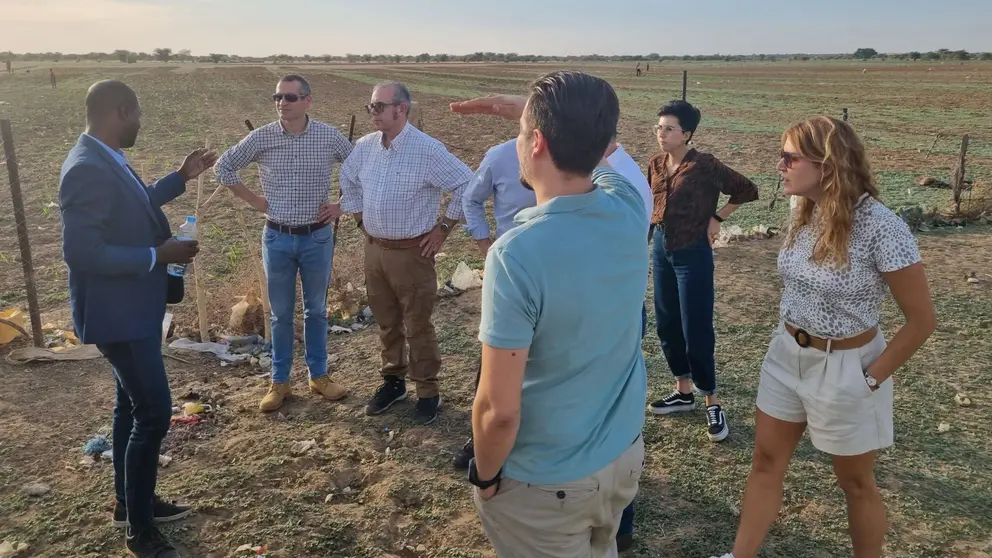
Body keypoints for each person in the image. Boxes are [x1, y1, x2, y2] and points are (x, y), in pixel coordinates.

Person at [710, 117, 936, 558]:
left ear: (828, 165)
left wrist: (871, 378)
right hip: (785, 355)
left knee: (854, 483)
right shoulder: (803, 210)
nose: (780, 165)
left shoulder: (881, 227)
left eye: (790, 157)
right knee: (765, 464)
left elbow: (922, 320)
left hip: (848, 367)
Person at [450, 70, 646, 557]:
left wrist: (486, 474)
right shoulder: (628, 206)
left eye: (521, 130)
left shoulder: (517, 254)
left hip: (547, 483)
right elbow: (605, 152)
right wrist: (544, 113)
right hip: (621, 457)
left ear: (536, 141)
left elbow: (498, 411)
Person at [59, 79, 217, 557]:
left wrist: (180, 176)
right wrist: (156, 254)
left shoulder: (105, 156)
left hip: (133, 308)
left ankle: (131, 503)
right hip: (118, 313)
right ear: (121, 111)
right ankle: (141, 531)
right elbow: (81, 253)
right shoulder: (86, 168)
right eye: (138, 113)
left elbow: (135, 203)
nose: (141, 122)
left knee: (130, 405)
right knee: (153, 412)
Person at [213, 74, 353, 412]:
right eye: (277, 97)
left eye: (289, 97)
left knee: (317, 310)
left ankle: (319, 377)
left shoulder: (328, 136)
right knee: (279, 315)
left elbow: (362, 167)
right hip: (277, 237)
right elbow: (224, 167)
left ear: (307, 100)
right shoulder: (261, 137)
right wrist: (255, 200)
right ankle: (280, 382)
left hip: (317, 238)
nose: (281, 103)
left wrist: (341, 204)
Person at [340, 81, 473, 425]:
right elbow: (348, 178)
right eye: (371, 107)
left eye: (379, 107)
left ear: (402, 109)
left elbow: (466, 183)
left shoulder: (426, 149)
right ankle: (393, 382)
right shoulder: (366, 146)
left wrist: (443, 229)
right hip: (375, 250)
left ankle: (428, 391)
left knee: (417, 324)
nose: (373, 113)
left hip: (412, 253)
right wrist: (359, 220)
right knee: (386, 322)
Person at [646, 99, 759, 442]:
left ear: (687, 134)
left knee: (695, 324)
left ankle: (711, 398)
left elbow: (746, 189)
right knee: (666, 321)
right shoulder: (654, 163)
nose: (661, 134)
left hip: (692, 250)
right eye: (659, 127)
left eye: (669, 129)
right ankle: (683, 390)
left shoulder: (705, 165)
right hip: (660, 247)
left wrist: (717, 217)